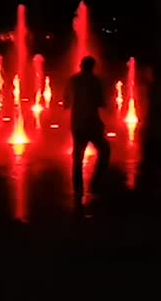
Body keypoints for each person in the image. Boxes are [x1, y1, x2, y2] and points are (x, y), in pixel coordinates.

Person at [64, 56, 111, 208]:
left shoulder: (72, 80)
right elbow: (101, 104)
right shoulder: (95, 81)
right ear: (92, 67)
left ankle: (78, 189)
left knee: (78, 156)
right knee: (105, 150)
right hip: (91, 123)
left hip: (77, 124)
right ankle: (95, 183)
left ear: (81, 65)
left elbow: (65, 103)